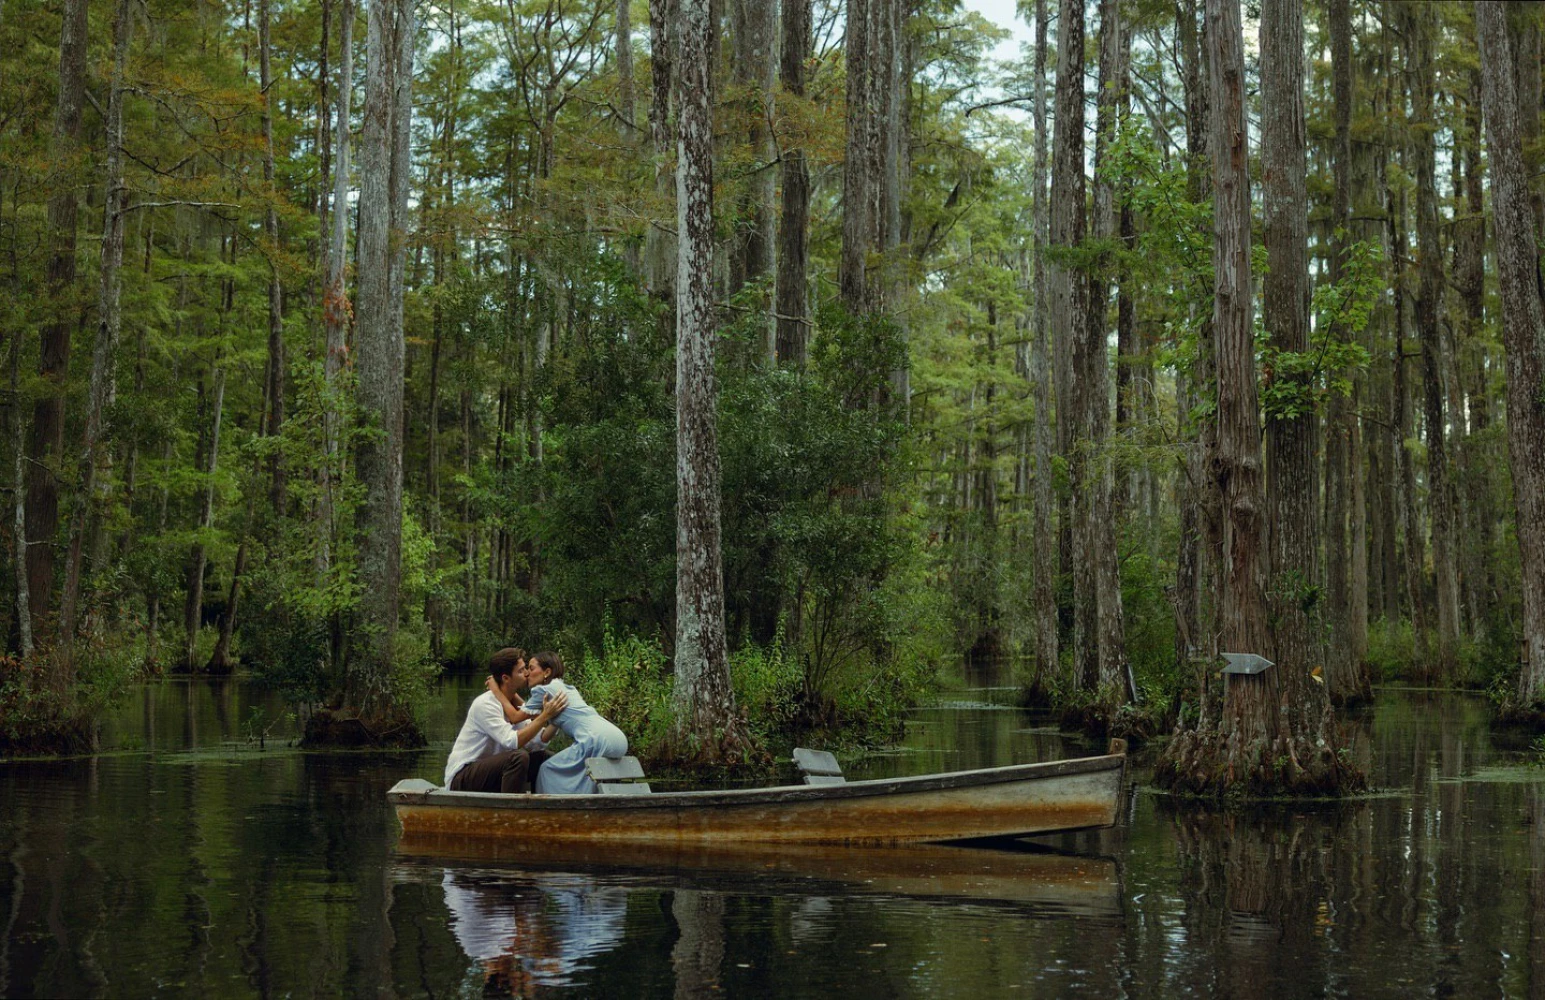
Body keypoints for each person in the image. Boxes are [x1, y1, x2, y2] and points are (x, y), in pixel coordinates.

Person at [487, 651, 627, 794]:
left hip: (595, 740)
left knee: (546, 769)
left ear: (547, 672)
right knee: (575, 772)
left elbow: (515, 716)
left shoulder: (543, 690)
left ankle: (547, 810)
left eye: (531, 668)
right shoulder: (566, 689)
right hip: (617, 739)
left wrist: (497, 690)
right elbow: (539, 722)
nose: (528, 673)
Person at [444, 647, 568, 793]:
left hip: (491, 775)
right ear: (506, 678)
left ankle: (543, 806)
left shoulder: (511, 704)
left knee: (544, 758)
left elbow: (537, 741)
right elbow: (511, 741)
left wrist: (557, 718)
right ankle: (511, 811)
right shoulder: (486, 704)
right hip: (462, 778)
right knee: (518, 757)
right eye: (521, 671)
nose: (527, 673)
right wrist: (544, 716)